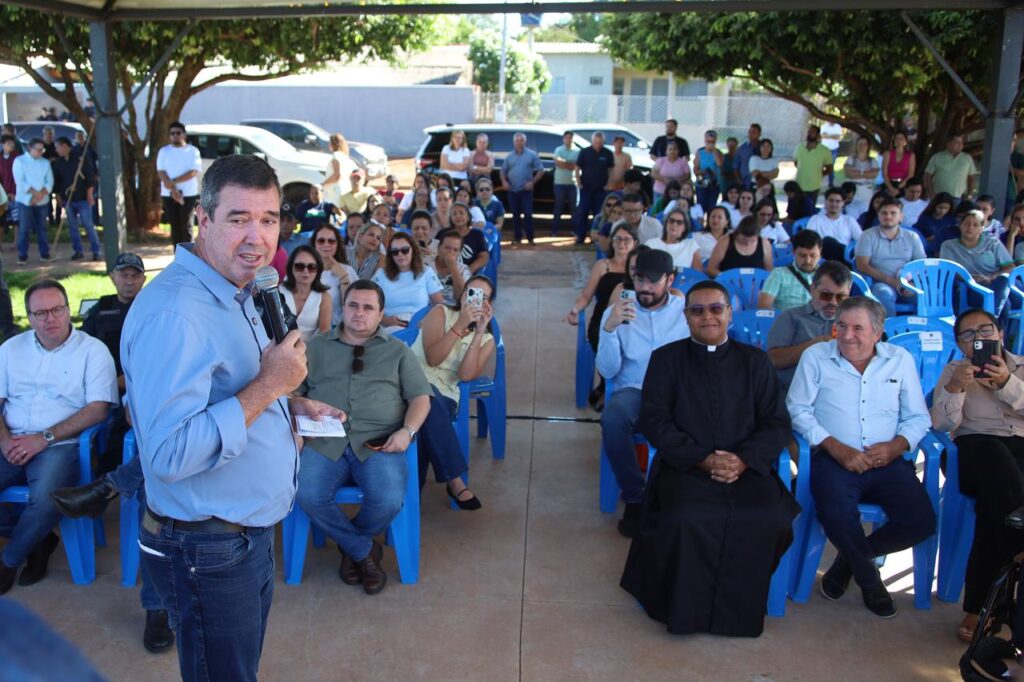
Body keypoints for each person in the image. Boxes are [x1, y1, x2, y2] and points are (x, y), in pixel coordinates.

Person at [122, 154, 342, 681]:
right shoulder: (176, 315)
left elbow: (234, 390)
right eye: (239, 218)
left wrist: (288, 399)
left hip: (244, 533)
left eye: (268, 219)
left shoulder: (240, 289)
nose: (258, 238)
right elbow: (170, 454)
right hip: (207, 545)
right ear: (203, 218)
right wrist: (270, 385)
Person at [622, 279, 798, 637]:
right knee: (687, 517)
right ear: (686, 317)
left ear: (730, 314)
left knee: (771, 518)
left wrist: (743, 460)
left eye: (716, 308)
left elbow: (777, 422)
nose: (707, 317)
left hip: (747, 469)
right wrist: (703, 459)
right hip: (686, 467)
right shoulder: (666, 360)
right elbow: (654, 420)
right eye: (697, 310)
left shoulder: (755, 361)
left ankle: (741, 608)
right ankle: (684, 611)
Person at [787, 297, 935, 618]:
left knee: (921, 521)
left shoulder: (900, 359)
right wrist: (837, 448)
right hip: (835, 458)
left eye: (857, 328)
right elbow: (797, 410)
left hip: (887, 459)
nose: (847, 335)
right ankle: (870, 581)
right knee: (837, 514)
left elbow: (918, 417)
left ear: (878, 333)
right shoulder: (816, 357)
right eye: (841, 326)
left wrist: (897, 446)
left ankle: (849, 561)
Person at [294, 279, 430, 595]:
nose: (359, 313)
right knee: (305, 492)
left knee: (388, 499)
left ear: (381, 313)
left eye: (368, 308)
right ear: (345, 307)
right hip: (325, 440)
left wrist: (407, 432)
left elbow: (421, 397)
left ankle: (351, 546)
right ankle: (364, 551)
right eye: (353, 305)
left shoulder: (397, 351)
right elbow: (292, 391)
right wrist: (300, 404)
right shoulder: (317, 347)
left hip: (379, 442)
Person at [0, 279, 117, 595]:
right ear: (28, 317)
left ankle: (9, 559)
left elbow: (97, 410)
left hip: (61, 444)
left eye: (56, 309)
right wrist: (5, 439)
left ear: (69, 311)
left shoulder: (93, 351)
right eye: (40, 313)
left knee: (47, 495)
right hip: (10, 439)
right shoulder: (11, 350)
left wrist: (43, 438)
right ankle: (38, 539)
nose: (49, 319)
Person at [930, 308, 1024, 643]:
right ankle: (1019, 548)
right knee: (995, 460)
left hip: (1020, 449)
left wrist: (1006, 384)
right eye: (968, 335)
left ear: (1000, 333)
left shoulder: (1022, 366)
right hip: (973, 451)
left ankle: (979, 608)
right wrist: (955, 389)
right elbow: (940, 426)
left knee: (996, 505)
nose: (978, 339)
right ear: (960, 345)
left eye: (985, 330)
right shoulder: (954, 371)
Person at [595, 249, 689, 536]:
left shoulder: (686, 312)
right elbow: (608, 372)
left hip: (679, 391)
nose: (644, 288)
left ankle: (683, 495)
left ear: (670, 279)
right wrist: (610, 330)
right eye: (639, 280)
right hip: (635, 389)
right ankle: (636, 495)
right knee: (613, 418)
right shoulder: (617, 313)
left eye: (652, 281)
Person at [411, 275, 498, 508]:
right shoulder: (440, 313)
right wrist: (460, 325)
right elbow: (433, 358)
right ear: (462, 295)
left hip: (445, 398)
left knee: (423, 417)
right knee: (425, 395)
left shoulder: (487, 340)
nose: (475, 300)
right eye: (471, 293)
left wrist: (477, 333)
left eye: (483, 297)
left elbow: (466, 376)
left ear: (489, 305)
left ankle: (409, 501)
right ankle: (454, 479)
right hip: (408, 386)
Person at [566, 224, 637, 405]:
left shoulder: (639, 268)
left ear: (635, 243)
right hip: (603, 319)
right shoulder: (602, 265)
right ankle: (608, 385)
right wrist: (575, 309)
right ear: (611, 242)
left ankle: (619, 387)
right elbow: (586, 295)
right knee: (606, 340)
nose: (621, 243)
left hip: (632, 320)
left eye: (626, 239)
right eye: (617, 239)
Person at [766, 260, 852, 392]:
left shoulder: (855, 323)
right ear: (813, 290)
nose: (833, 303)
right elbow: (773, 360)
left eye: (841, 297)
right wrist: (812, 346)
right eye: (826, 295)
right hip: (794, 392)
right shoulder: (791, 317)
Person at [854, 197, 926, 316]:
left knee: (927, 296)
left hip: (908, 283)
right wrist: (892, 281)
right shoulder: (867, 236)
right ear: (878, 215)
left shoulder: (912, 236)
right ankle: (887, 332)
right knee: (883, 293)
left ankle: (920, 332)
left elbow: (922, 264)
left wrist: (912, 282)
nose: (888, 216)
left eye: (893, 213)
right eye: (884, 213)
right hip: (881, 283)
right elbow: (862, 265)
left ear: (901, 216)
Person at [940, 208, 1014, 315]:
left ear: (982, 228)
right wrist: (971, 278)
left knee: (1003, 279)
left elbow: (1010, 266)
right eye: (966, 224)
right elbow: (948, 270)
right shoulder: (949, 246)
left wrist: (991, 277)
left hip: (993, 283)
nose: (970, 227)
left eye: (975, 225)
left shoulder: (993, 243)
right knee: (1005, 304)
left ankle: (993, 319)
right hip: (969, 287)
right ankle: (993, 318)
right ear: (960, 225)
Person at [371, 233, 444, 332]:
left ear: (413, 250)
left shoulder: (426, 271)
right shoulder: (381, 274)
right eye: (395, 252)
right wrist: (384, 320)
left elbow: (439, 304)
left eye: (405, 250)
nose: (400, 254)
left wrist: (428, 320)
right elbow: (369, 302)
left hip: (421, 326)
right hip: (389, 328)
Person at [51, 136, 100, 261]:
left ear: (64, 146)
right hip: (68, 199)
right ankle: (78, 250)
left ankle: (96, 251)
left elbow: (90, 177)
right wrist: (58, 196)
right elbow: (57, 182)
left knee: (87, 224)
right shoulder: (59, 163)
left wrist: (90, 194)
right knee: (72, 226)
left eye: (58, 147)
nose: (56, 150)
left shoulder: (81, 158)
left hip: (83, 198)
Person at [156, 122, 202, 245]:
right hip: (168, 194)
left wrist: (173, 182)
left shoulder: (193, 151)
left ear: (184, 134)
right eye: (172, 133)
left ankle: (189, 256)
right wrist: (173, 189)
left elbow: (193, 171)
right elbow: (161, 171)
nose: (175, 136)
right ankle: (177, 255)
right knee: (174, 225)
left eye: (178, 133)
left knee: (186, 225)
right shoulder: (164, 151)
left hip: (188, 193)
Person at [758, 229, 823, 311]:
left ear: (820, 252)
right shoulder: (778, 274)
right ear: (793, 251)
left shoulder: (828, 276)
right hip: (787, 321)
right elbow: (764, 306)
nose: (808, 261)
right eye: (802, 255)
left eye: (813, 256)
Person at [13, 138, 53, 265]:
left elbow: (49, 181)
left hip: (42, 201)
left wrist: (41, 195)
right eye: (38, 150)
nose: (41, 152)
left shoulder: (45, 162)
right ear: (30, 148)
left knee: (42, 228)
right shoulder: (20, 161)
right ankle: (22, 255)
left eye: (42, 150)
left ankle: (44, 254)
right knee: (24, 229)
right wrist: (34, 195)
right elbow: (20, 181)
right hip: (25, 201)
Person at [500, 132, 545, 245]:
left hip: (526, 190)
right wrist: (504, 182)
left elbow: (541, 170)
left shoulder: (532, 155)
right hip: (512, 190)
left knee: (528, 214)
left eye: (521, 140)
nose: (519, 143)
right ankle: (517, 237)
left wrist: (532, 182)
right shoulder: (509, 156)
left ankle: (530, 238)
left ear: (525, 141)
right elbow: (503, 170)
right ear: (514, 142)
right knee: (515, 214)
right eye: (517, 141)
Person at [573, 131, 616, 245]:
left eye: (600, 142)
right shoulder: (585, 152)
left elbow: (611, 169)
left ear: (603, 142)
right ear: (592, 141)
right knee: (583, 213)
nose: (598, 145)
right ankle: (580, 237)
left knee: (599, 214)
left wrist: (609, 183)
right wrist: (579, 183)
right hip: (586, 189)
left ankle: (596, 238)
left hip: (601, 190)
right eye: (596, 142)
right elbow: (577, 168)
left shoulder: (607, 153)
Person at [281, 246, 332, 341]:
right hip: (279, 346)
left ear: (318, 270)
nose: (306, 271)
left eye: (312, 267)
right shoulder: (279, 292)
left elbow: (324, 333)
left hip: (311, 350)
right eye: (299, 266)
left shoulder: (324, 297)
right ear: (291, 267)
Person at [311, 224, 356, 328]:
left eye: (331, 241)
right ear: (314, 244)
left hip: (337, 329)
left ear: (337, 244)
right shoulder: (302, 268)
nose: (326, 244)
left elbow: (352, 307)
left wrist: (343, 277)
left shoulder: (347, 271)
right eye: (321, 240)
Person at [807, 188, 863, 262]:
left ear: (843, 203)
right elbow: (809, 241)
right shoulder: (816, 219)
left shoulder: (849, 220)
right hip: (822, 257)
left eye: (838, 201)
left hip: (844, 257)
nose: (834, 204)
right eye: (831, 201)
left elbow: (861, 239)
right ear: (825, 202)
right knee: (827, 242)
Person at [706, 215, 773, 277]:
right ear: (738, 233)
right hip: (729, 283)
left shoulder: (764, 244)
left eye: (752, 240)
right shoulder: (725, 242)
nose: (747, 243)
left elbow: (769, 272)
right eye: (744, 239)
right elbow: (711, 269)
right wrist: (727, 277)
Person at [437, 202, 489, 275]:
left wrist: (468, 271)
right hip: (445, 273)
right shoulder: (443, 233)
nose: (458, 216)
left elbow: (484, 257)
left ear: (468, 217)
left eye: (461, 213)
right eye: (454, 214)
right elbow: (434, 252)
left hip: (469, 274)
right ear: (451, 218)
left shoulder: (477, 234)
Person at [925, 134, 980, 202]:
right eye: (957, 142)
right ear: (949, 144)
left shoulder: (967, 158)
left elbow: (972, 178)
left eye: (961, 143)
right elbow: (927, 176)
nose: (960, 145)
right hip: (939, 196)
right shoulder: (937, 157)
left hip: (959, 198)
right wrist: (930, 193)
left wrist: (969, 194)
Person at [794, 125, 834, 206]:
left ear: (818, 135)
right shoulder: (799, 147)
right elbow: (796, 162)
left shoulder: (824, 150)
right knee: (796, 210)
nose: (809, 134)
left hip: (814, 186)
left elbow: (829, 168)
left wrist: (820, 174)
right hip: (798, 185)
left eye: (812, 132)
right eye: (808, 132)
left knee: (810, 210)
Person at [843, 137, 880, 218]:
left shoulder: (872, 161)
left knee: (865, 214)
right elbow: (848, 173)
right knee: (851, 214)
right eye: (860, 144)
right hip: (853, 190)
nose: (862, 146)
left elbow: (874, 174)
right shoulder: (850, 159)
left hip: (866, 190)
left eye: (864, 144)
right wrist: (866, 173)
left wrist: (857, 172)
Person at [431, 231, 471, 307]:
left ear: (459, 253)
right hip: (428, 309)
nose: (451, 252)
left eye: (455, 250)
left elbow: (462, 298)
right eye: (447, 248)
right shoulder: (426, 265)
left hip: (453, 310)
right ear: (439, 247)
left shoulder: (463, 270)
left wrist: (453, 267)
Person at [552, 130, 579, 237]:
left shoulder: (577, 151)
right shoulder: (558, 149)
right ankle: (554, 231)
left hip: (573, 183)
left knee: (574, 208)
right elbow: (557, 162)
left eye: (570, 137)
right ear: (563, 139)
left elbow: (576, 165)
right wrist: (570, 164)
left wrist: (564, 163)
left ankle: (575, 231)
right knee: (558, 207)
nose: (568, 139)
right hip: (559, 183)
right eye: (566, 137)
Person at [915, 191, 958, 256]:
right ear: (934, 206)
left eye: (946, 208)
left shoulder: (951, 220)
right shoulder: (925, 219)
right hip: (927, 248)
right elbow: (916, 235)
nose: (943, 211)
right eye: (940, 208)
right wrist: (927, 239)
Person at [693, 130, 723, 215]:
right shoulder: (700, 152)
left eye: (712, 141)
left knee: (712, 207)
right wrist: (703, 172)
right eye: (708, 141)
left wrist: (714, 150)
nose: (710, 143)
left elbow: (719, 163)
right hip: (702, 183)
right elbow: (695, 168)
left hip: (714, 184)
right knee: (700, 207)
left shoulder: (718, 153)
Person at [651, 141, 690, 206]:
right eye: (670, 149)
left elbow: (688, 175)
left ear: (678, 151)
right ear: (666, 151)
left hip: (677, 192)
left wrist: (677, 180)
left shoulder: (683, 162)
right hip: (660, 191)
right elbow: (653, 173)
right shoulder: (661, 160)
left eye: (675, 149)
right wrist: (665, 179)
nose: (672, 151)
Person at [321, 133, 354, 208]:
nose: (328, 145)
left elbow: (337, 175)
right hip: (346, 188)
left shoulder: (336, 156)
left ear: (333, 144)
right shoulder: (346, 157)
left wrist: (323, 184)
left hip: (335, 191)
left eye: (330, 143)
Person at [883, 131, 916, 197]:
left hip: (904, 185)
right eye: (897, 139)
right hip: (889, 184)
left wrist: (898, 187)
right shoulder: (888, 154)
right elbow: (884, 173)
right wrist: (891, 188)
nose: (899, 141)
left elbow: (911, 174)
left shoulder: (910, 155)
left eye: (901, 139)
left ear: (905, 141)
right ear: (894, 141)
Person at [737, 123, 763, 188]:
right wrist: (739, 180)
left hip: (761, 181)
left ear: (759, 134)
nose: (750, 134)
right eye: (749, 132)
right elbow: (736, 166)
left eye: (754, 132)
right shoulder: (742, 148)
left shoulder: (764, 147)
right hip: (745, 182)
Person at [820, 121, 843, 187]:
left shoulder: (838, 126)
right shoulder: (824, 126)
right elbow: (823, 135)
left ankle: (831, 183)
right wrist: (833, 136)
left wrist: (828, 135)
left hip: (833, 149)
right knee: (820, 165)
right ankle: (818, 181)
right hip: (824, 149)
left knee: (831, 166)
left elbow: (838, 137)